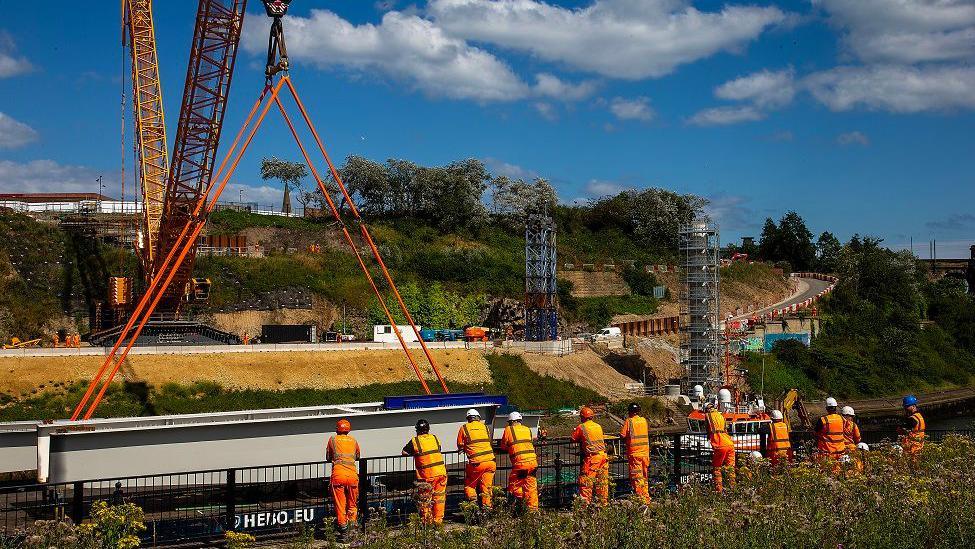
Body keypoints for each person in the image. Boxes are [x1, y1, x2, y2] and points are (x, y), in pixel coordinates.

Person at [402, 419, 447, 525]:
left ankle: (427, 522)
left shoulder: (415, 441)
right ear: (428, 429)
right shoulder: (435, 438)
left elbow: (404, 452)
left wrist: (415, 454)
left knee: (425, 499)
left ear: (417, 430)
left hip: (427, 476)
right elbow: (438, 449)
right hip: (441, 473)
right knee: (439, 498)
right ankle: (438, 521)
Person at [326, 419, 360, 538]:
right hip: (352, 476)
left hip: (338, 475)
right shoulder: (353, 440)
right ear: (348, 430)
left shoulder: (333, 440)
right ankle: (352, 529)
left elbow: (328, 456)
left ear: (337, 429)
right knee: (352, 504)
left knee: (340, 505)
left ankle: (344, 531)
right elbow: (357, 456)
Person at [456, 409, 496, 510]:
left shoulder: (464, 428)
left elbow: (460, 445)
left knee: (470, 485)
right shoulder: (485, 427)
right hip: (491, 461)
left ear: (468, 419)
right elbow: (489, 441)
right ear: (478, 417)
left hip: (477, 463)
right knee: (486, 487)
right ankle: (487, 509)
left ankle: (474, 507)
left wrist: (464, 448)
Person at [499, 411, 538, 511]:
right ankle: (533, 510)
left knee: (514, 486)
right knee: (531, 486)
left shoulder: (508, 430)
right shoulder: (527, 429)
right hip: (533, 462)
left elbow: (503, 446)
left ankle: (522, 503)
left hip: (521, 463)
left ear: (511, 422)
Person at [572, 406, 609, 505]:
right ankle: (603, 504)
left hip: (592, 457)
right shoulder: (598, 426)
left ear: (582, 417)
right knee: (602, 482)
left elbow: (573, 438)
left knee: (586, 481)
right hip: (603, 456)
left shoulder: (582, 427)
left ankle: (585, 505)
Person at [619, 402, 651, 504]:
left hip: (635, 454)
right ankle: (646, 498)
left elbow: (622, 435)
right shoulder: (643, 421)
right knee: (644, 477)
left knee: (637, 478)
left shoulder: (629, 421)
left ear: (629, 412)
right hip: (645, 453)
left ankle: (641, 499)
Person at [704, 402, 735, 492]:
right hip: (729, 443)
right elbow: (725, 429)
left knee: (717, 468)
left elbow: (707, 429)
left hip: (719, 444)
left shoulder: (708, 415)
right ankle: (733, 489)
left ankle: (719, 491)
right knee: (730, 468)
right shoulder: (721, 416)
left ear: (706, 409)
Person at [814, 397, 846, 466]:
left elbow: (816, 432)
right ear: (836, 407)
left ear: (827, 408)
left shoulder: (823, 420)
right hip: (841, 451)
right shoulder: (842, 419)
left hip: (828, 452)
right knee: (840, 470)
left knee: (828, 471)